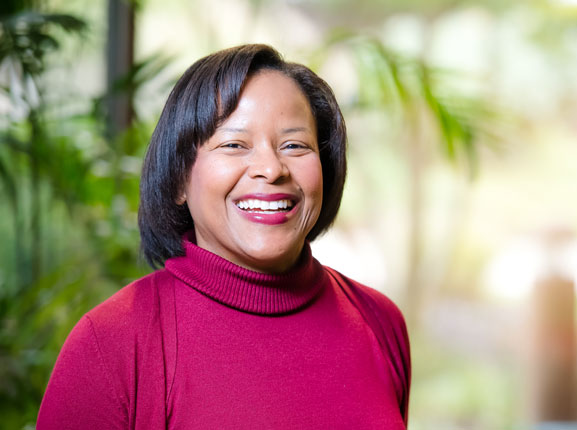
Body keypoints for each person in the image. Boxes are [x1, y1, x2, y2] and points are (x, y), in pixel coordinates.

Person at [37, 44, 411, 429]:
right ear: (180, 178)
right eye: (234, 144)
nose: (270, 168)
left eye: (294, 145)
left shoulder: (379, 321)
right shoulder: (110, 344)